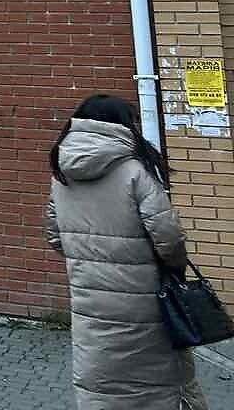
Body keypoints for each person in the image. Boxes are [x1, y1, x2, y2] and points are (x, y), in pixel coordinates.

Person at [44, 94, 208, 410]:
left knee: (102, 380)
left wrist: (89, 259)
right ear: (122, 125)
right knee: (159, 380)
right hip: (145, 299)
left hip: (89, 299)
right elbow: (168, 238)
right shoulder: (136, 171)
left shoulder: (61, 173)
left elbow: (54, 235)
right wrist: (174, 269)